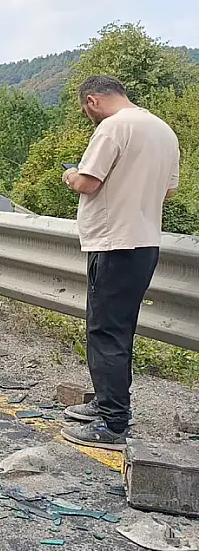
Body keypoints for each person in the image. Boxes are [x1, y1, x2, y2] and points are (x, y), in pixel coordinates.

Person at [59, 75, 180, 451]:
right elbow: (170, 191)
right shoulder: (163, 130)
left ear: (92, 100)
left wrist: (70, 175)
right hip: (145, 243)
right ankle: (107, 403)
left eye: (85, 109)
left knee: (105, 332)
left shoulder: (113, 128)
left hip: (114, 243)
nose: (88, 116)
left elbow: (88, 183)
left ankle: (112, 424)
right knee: (119, 329)